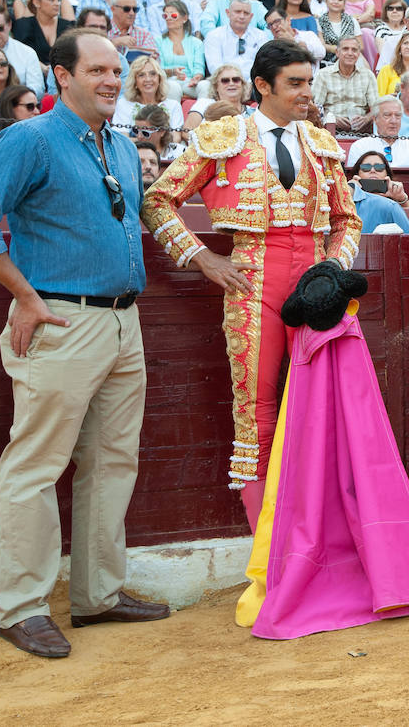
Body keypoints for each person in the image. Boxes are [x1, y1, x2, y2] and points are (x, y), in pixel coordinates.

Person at [0, 29, 167, 659]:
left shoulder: (121, 147)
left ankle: (99, 595)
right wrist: (26, 295)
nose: (110, 81)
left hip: (125, 322)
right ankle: (22, 607)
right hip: (60, 321)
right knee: (36, 464)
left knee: (113, 460)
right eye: (96, 70)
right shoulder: (30, 139)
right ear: (60, 76)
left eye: (116, 71)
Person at [141, 40, 363, 526]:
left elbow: (349, 221)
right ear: (262, 86)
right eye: (295, 83)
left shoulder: (321, 144)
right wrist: (203, 259)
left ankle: (320, 537)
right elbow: (157, 200)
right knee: (257, 415)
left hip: (316, 293)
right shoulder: (225, 137)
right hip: (252, 285)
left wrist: (333, 270)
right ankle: (268, 557)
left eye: (310, 82)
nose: (307, 93)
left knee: (326, 411)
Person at [343, 136, 409, 233]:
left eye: (379, 167)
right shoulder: (348, 197)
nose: (372, 170)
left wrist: (402, 199)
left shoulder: (392, 205)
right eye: (366, 168)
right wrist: (350, 191)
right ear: (357, 174)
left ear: (387, 174)